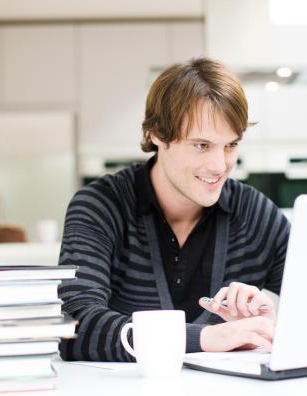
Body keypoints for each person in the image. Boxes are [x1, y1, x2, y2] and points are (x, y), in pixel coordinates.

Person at [58, 58, 290, 361]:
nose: (219, 166)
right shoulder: (100, 207)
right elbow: (74, 327)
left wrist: (273, 320)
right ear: (157, 134)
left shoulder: (256, 214)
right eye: (201, 145)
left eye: (231, 145)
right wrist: (204, 338)